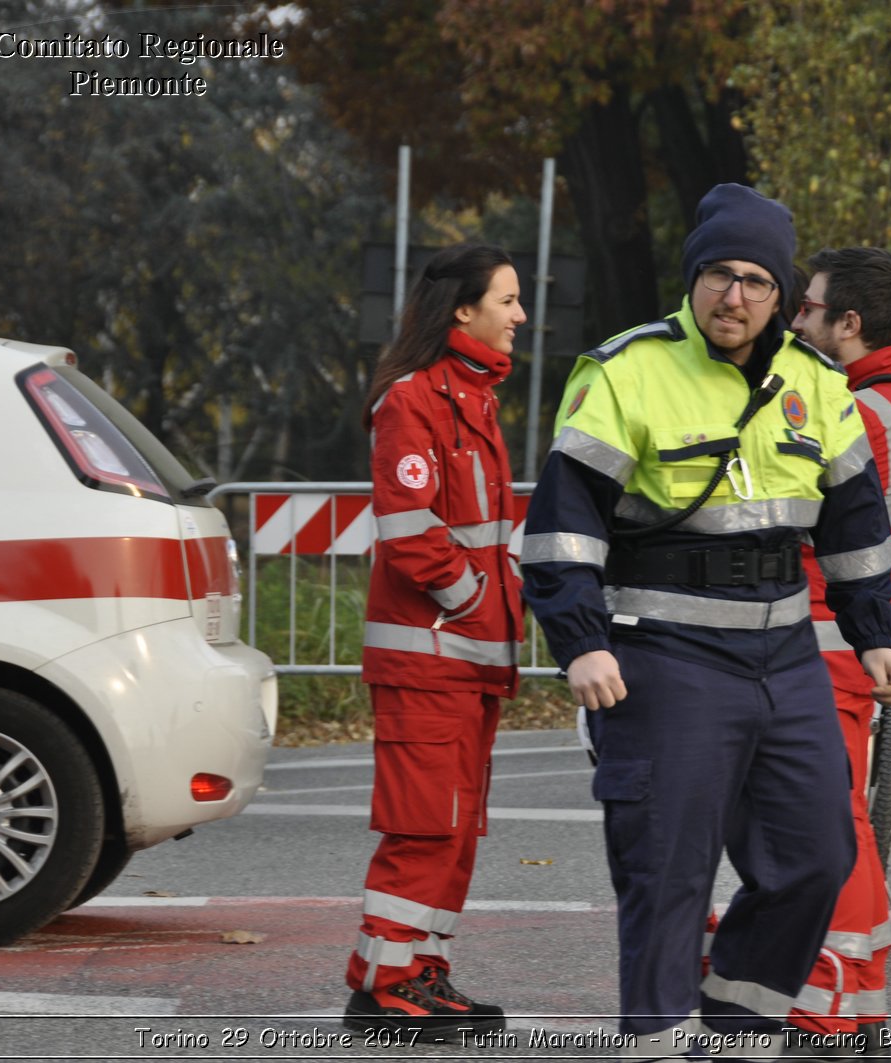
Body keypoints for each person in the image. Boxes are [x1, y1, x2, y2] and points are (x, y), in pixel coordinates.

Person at [521, 184, 891, 1057]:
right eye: (718, 276)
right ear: (694, 278)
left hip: (785, 655)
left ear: (782, 295)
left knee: (818, 857)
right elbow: (561, 523)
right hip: (665, 656)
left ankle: (735, 1025)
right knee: (667, 871)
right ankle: (658, 1038)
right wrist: (581, 643)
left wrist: (874, 630)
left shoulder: (815, 383)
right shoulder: (628, 370)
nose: (734, 297)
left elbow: (854, 522)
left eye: (756, 282)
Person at [341, 244, 526, 1039]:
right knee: (425, 827)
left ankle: (417, 971)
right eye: (508, 299)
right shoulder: (413, 400)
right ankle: (387, 985)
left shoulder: (473, 396)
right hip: (432, 658)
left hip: (466, 660)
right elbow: (414, 535)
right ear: (463, 309)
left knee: (451, 828)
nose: (520, 314)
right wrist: (477, 598)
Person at [788, 246, 891, 1053]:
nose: (796, 319)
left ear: (850, 322)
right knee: (839, 822)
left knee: (821, 828)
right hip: (850, 634)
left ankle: (827, 1012)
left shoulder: (858, 410)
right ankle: (857, 1004)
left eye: (808, 308)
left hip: (825, 634)